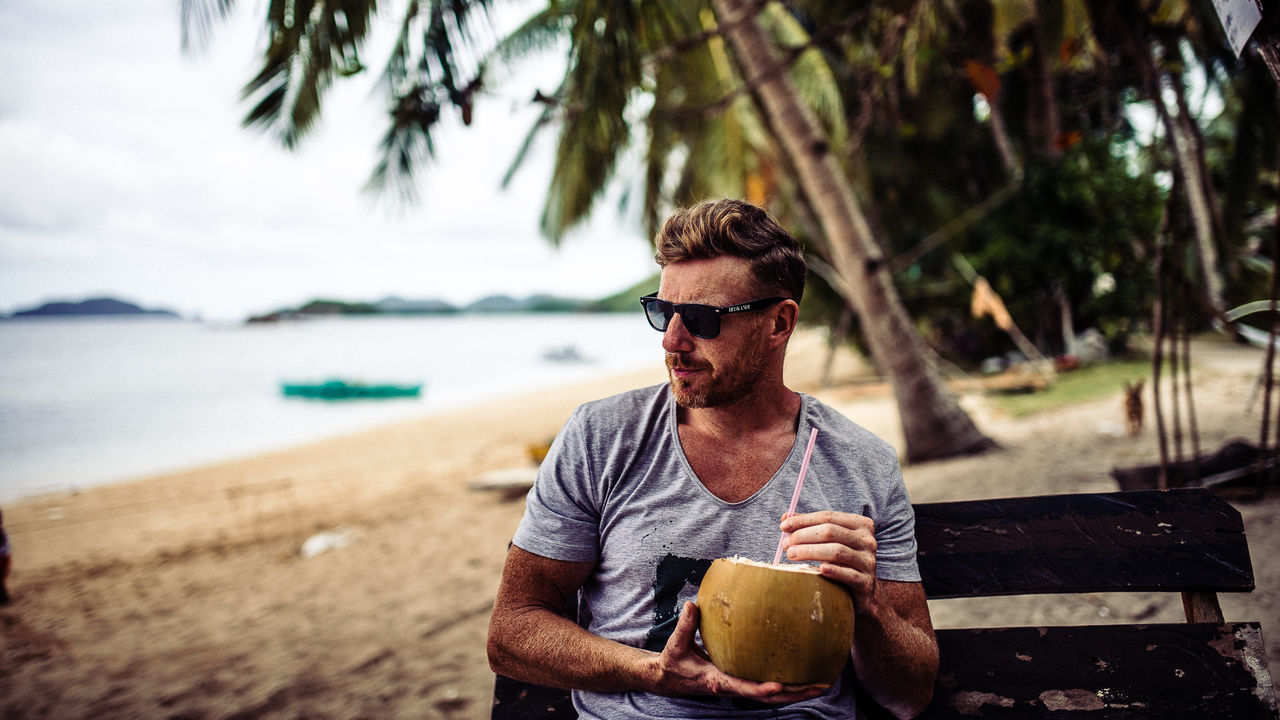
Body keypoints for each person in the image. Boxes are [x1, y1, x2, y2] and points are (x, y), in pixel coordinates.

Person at [487, 199, 938, 719]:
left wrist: (869, 608)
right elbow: (511, 633)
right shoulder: (602, 437)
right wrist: (652, 671)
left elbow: (909, 697)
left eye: (702, 319)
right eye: (663, 311)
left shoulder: (860, 462)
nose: (672, 342)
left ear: (779, 324)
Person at [0, 508, 10, 605]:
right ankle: (4, 598)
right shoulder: (2, 529)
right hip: (5, 556)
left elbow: (2, 544)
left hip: (2, 557)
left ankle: (5, 599)